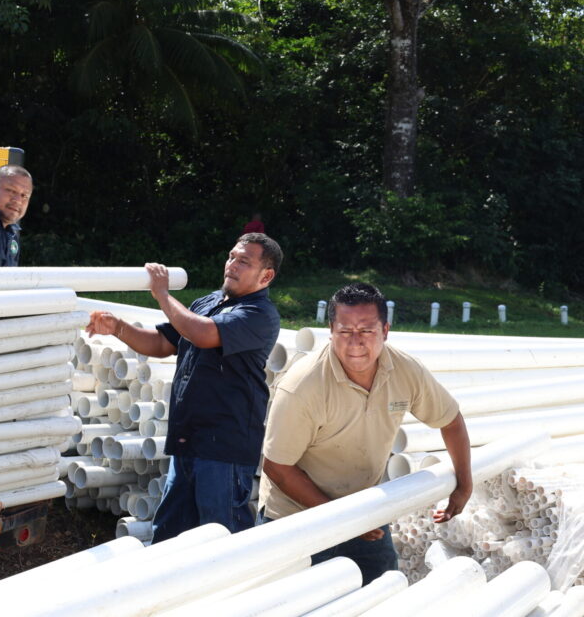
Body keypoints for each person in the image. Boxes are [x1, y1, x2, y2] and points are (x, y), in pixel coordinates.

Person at [258, 282, 472, 584]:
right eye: (345, 331)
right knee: (296, 604)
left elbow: (450, 420)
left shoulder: (404, 370)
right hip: (297, 519)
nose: (355, 342)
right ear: (331, 330)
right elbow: (277, 467)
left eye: (367, 331)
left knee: (382, 594)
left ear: (385, 330)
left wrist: (464, 482)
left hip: (365, 510)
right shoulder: (302, 386)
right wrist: (345, 519)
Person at [85, 233, 282, 540]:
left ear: (266, 275)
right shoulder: (208, 303)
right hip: (188, 440)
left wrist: (162, 294)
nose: (232, 265)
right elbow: (163, 343)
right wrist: (119, 328)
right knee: (168, 533)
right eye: (231, 257)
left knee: (221, 538)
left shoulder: (260, 315)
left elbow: (203, 334)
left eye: (244, 261)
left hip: (223, 450)